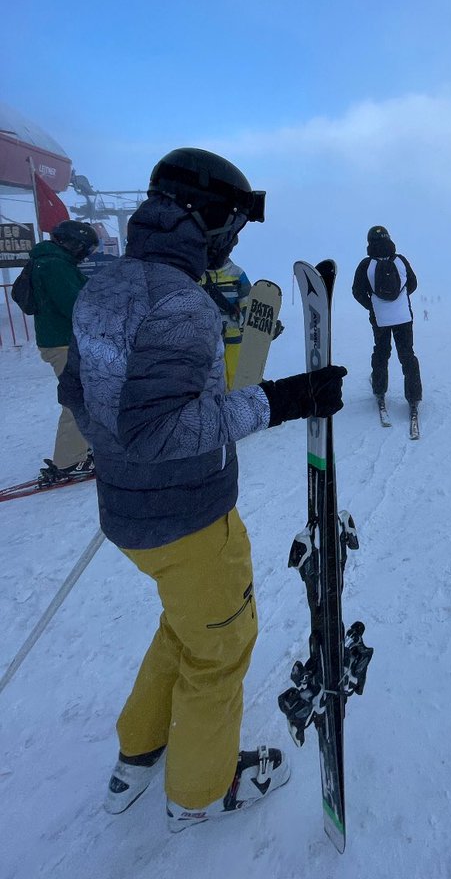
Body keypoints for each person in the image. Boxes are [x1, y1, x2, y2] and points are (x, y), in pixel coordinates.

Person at [57, 147, 346, 831]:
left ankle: (141, 749)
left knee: (182, 626)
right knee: (222, 647)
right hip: (189, 519)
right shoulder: (180, 303)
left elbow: (78, 393)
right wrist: (280, 400)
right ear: (206, 218)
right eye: (233, 227)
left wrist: (122, 462)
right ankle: (200, 791)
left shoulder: (106, 285)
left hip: (130, 514)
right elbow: (160, 430)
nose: (234, 240)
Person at [27, 220, 99, 482]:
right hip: (63, 342)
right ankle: (70, 460)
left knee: (85, 395)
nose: (85, 255)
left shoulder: (53, 261)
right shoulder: (54, 264)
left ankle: (80, 447)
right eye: (85, 249)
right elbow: (75, 304)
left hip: (62, 340)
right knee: (77, 399)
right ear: (73, 243)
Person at [352, 225, 422, 412]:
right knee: (407, 355)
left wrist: (373, 306)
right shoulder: (401, 260)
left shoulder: (366, 264)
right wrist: (399, 300)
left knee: (381, 353)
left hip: (380, 318)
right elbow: (413, 284)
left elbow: (357, 291)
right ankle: (414, 396)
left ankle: (379, 390)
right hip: (403, 317)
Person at [200, 256, 251, 390]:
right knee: (216, 375)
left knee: (236, 373)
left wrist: (250, 324)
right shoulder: (198, 274)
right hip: (209, 338)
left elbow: (248, 302)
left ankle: (237, 401)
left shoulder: (237, 273)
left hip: (234, 334)